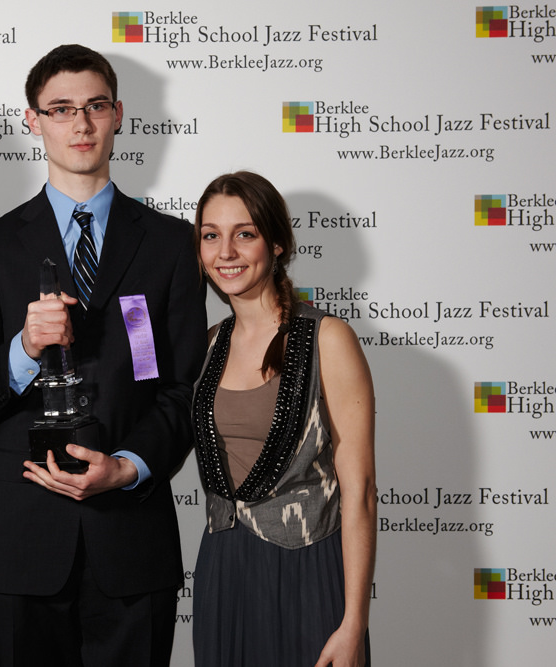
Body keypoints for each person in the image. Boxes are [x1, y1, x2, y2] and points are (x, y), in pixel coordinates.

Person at [0, 44, 207, 667]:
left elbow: (183, 390)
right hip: (23, 542)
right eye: (61, 109)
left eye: (95, 106)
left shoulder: (172, 244)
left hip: (132, 536)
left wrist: (128, 467)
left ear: (118, 114)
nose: (81, 123)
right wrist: (24, 348)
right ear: (34, 120)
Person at [190, 171, 376, 667]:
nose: (226, 252)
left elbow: (360, 491)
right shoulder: (209, 345)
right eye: (211, 236)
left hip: (307, 572)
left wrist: (354, 624)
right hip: (223, 574)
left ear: (276, 244)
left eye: (244, 234)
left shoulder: (328, 339)